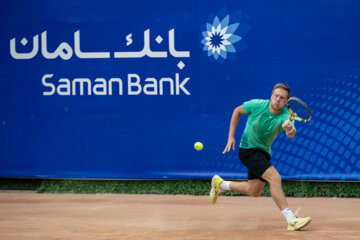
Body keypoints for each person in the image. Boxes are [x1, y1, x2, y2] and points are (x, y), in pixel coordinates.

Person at [210, 83, 311, 231]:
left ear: (286, 102)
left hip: (263, 153)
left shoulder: (287, 116)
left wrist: (289, 128)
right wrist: (231, 136)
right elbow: (237, 111)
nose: (278, 99)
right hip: (248, 149)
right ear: (271, 95)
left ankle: (221, 184)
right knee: (275, 178)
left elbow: (291, 134)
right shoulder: (257, 105)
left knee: (254, 190)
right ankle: (291, 219)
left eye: (282, 98)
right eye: (276, 96)